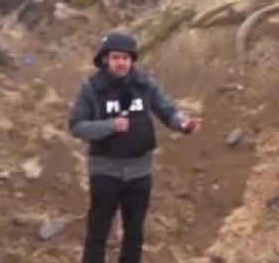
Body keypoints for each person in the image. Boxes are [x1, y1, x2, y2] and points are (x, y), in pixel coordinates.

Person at [68, 33, 201, 263]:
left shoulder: (144, 83)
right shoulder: (92, 88)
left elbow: (167, 109)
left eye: (126, 58)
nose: (122, 63)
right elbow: (77, 125)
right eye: (116, 57)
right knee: (98, 232)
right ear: (105, 60)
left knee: (134, 232)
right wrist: (110, 126)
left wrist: (183, 124)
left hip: (140, 171)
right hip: (105, 170)